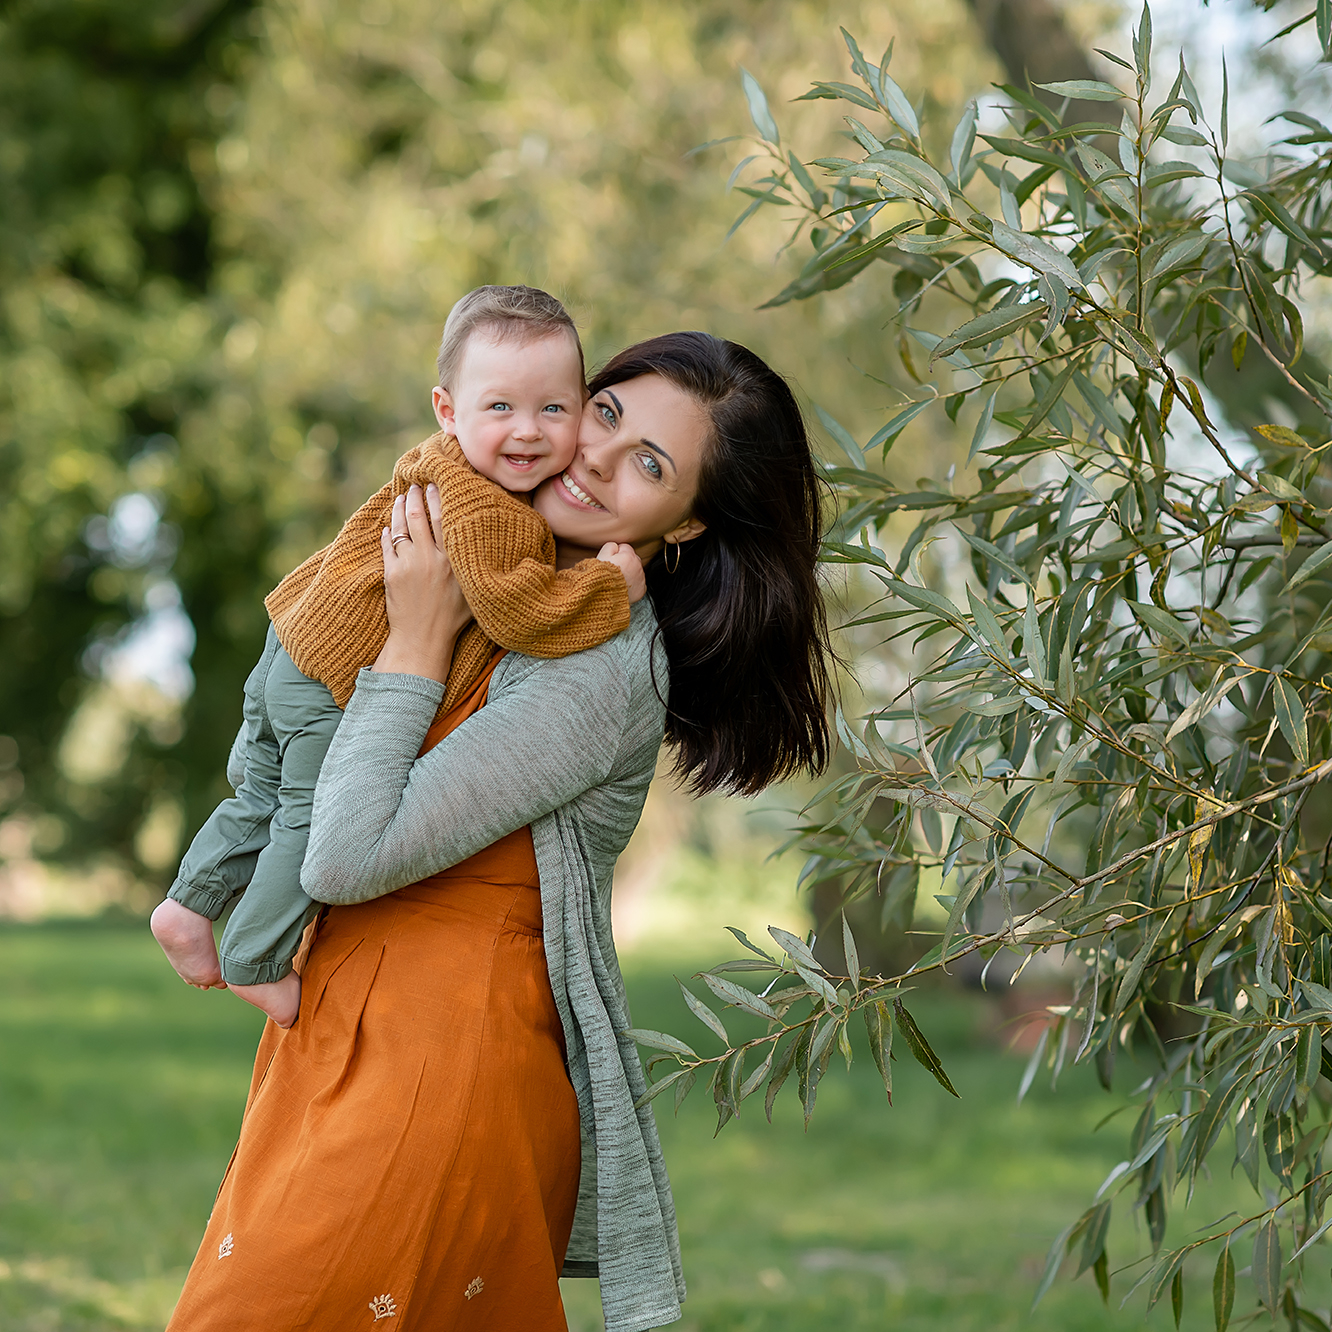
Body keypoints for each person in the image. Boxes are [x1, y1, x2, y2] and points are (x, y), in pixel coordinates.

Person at [164, 332, 834, 1332]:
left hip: (441, 1060)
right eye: (603, 414)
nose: (597, 461)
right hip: (354, 1029)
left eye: (649, 463)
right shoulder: (507, 581)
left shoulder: (600, 663)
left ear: (686, 521)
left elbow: (343, 855)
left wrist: (415, 638)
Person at [150, 285, 646, 1028]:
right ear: (449, 410)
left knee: (259, 794)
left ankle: (187, 908)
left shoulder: (445, 464)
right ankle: (255, 959)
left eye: (554, 408)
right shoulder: (485, 505)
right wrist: (608, 589)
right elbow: (519, 611)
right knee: (306, 816)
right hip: (336, 678)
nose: (529, 431)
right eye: (501, 407)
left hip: (292, 642)